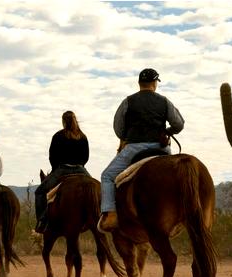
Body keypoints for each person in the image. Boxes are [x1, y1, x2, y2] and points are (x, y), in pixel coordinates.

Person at [98, 68, 184, 232]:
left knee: (107, 176)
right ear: (155, 83)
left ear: (139, 83)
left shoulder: (128, 101)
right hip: (162, 149)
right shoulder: (164, 101)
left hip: (134, 148)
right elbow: (179, 124)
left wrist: (129, 136)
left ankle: (111, 215)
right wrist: (167, 132)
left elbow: (118, 129)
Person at [34, 110, 91, 233]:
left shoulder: (58, 136)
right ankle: (102, 216)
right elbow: (86, 157)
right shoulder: (83, 136)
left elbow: (52, 157)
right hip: (81, 169)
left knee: (39, 192)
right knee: (99, 190)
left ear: (63, 121)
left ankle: (42, 221)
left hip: (63, 169)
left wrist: (55, 170)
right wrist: (80, 166)